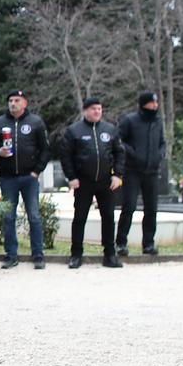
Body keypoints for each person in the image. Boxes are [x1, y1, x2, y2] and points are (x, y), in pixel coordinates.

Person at [58, 97, 124, 269]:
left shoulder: (110, 130)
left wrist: (117, 175)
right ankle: (76, 255)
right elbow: (65, 155)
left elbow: (119, 152)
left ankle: (109, 254)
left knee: (108, 217)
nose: (97, 112)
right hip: (83, 182)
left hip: (105, 181)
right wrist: (71, 177)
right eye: (93, 108)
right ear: (85, 111)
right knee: (80, 218)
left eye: (99, 109)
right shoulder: (74, 131)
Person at [0, 90, 50, 269]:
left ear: (25, 103)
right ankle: (11, 255)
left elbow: (45, 149)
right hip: (8, 177)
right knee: (8, 216)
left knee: (34, 216)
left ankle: (38, 255)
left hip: (29, 177)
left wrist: (37, 171)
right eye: (10, 100)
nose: (13, 103)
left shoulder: (35, 122)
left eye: (17, 100)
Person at [115, 92, 167, 257]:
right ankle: (121, 243)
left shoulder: (158, 122)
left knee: (151, 209)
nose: (155, 106)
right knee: (129, 207)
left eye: (156, 103)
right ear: (144, 104)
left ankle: (148, 243)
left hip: (152, 171)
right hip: (133, 171)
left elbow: (162, 142)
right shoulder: (130, 120)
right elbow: (119, 140)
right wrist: (132, 153)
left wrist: (160, 154)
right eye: (152, 103)